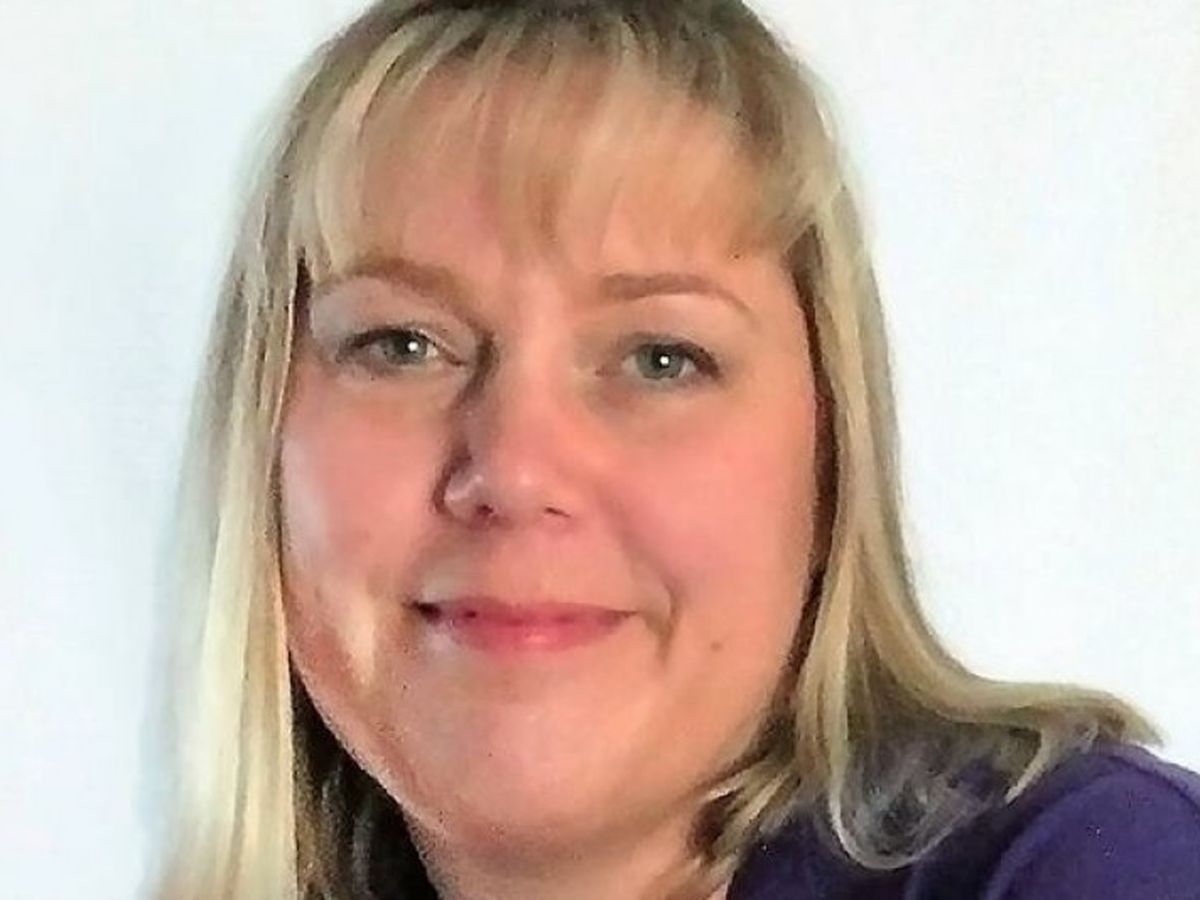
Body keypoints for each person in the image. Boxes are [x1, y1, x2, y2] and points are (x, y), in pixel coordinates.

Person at [152, 1, 1200, 898]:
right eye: (403, 345)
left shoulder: (1097, 864)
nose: (514, 469)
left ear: (830, 463)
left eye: (660, 358)